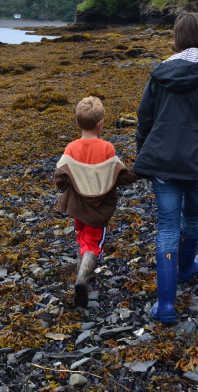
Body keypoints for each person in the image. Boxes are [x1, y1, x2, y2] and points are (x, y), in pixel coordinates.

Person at [132, 12, 198, 323]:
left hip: (163, 162)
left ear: (177, 37)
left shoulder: (160, 72)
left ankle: (165, 305)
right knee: (192, 216)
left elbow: (145, 120)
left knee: (167, 226)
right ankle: (185, 268)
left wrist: (145, 156)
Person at [54, 96, 136, 308]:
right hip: (98, 208)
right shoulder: (107, 147)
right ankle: (82, 279)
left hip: (77, 206)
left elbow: (60, 177)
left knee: (82, 236)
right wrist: (139, 172)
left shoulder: (71, 148)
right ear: (100, 124)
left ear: (77, 123)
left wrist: (68, 187)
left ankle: (83, 272)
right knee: (93, 243)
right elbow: (118, 173)